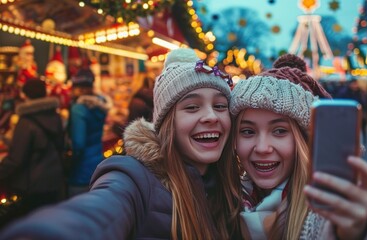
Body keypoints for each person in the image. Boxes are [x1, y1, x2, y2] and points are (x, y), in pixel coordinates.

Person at [0, 48, 242, 239]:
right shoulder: (135, 179)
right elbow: (102, 211)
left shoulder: (234, 185)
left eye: (220, 105)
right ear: (166, 122)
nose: (211, 116)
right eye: (191, 107)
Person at [230, 54, 367, 239]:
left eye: (279, 131)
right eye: (247, 131)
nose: (262, 148)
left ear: (305, 139)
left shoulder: (328, 206)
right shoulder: (226, 199)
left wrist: (358, 231)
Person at [0, 79, 64, 229]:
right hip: (54, 181)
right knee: (48, 226)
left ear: (25, 94)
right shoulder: (55, 116)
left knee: (32, 228)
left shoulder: (26, 121)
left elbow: (16, 159)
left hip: (33, 185)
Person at [67, 63, 110, 197]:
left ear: (78, 88)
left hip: (81, 170)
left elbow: (78, 144)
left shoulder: (78, 109)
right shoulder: (99, 105)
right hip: (97, 161)